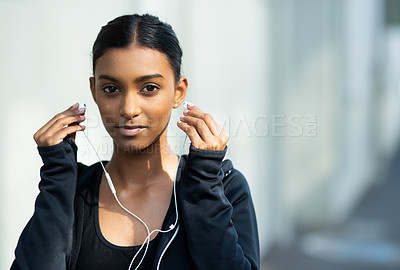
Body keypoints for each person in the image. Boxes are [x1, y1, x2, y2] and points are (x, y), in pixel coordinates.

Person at [11, 14, 260, 270]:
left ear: (178, 92)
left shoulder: (224, 187)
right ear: (94, 91)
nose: (129, 109)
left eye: (149, 88)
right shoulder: (72, 191)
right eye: (111, 89)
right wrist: (58, 175)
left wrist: (204, 183)